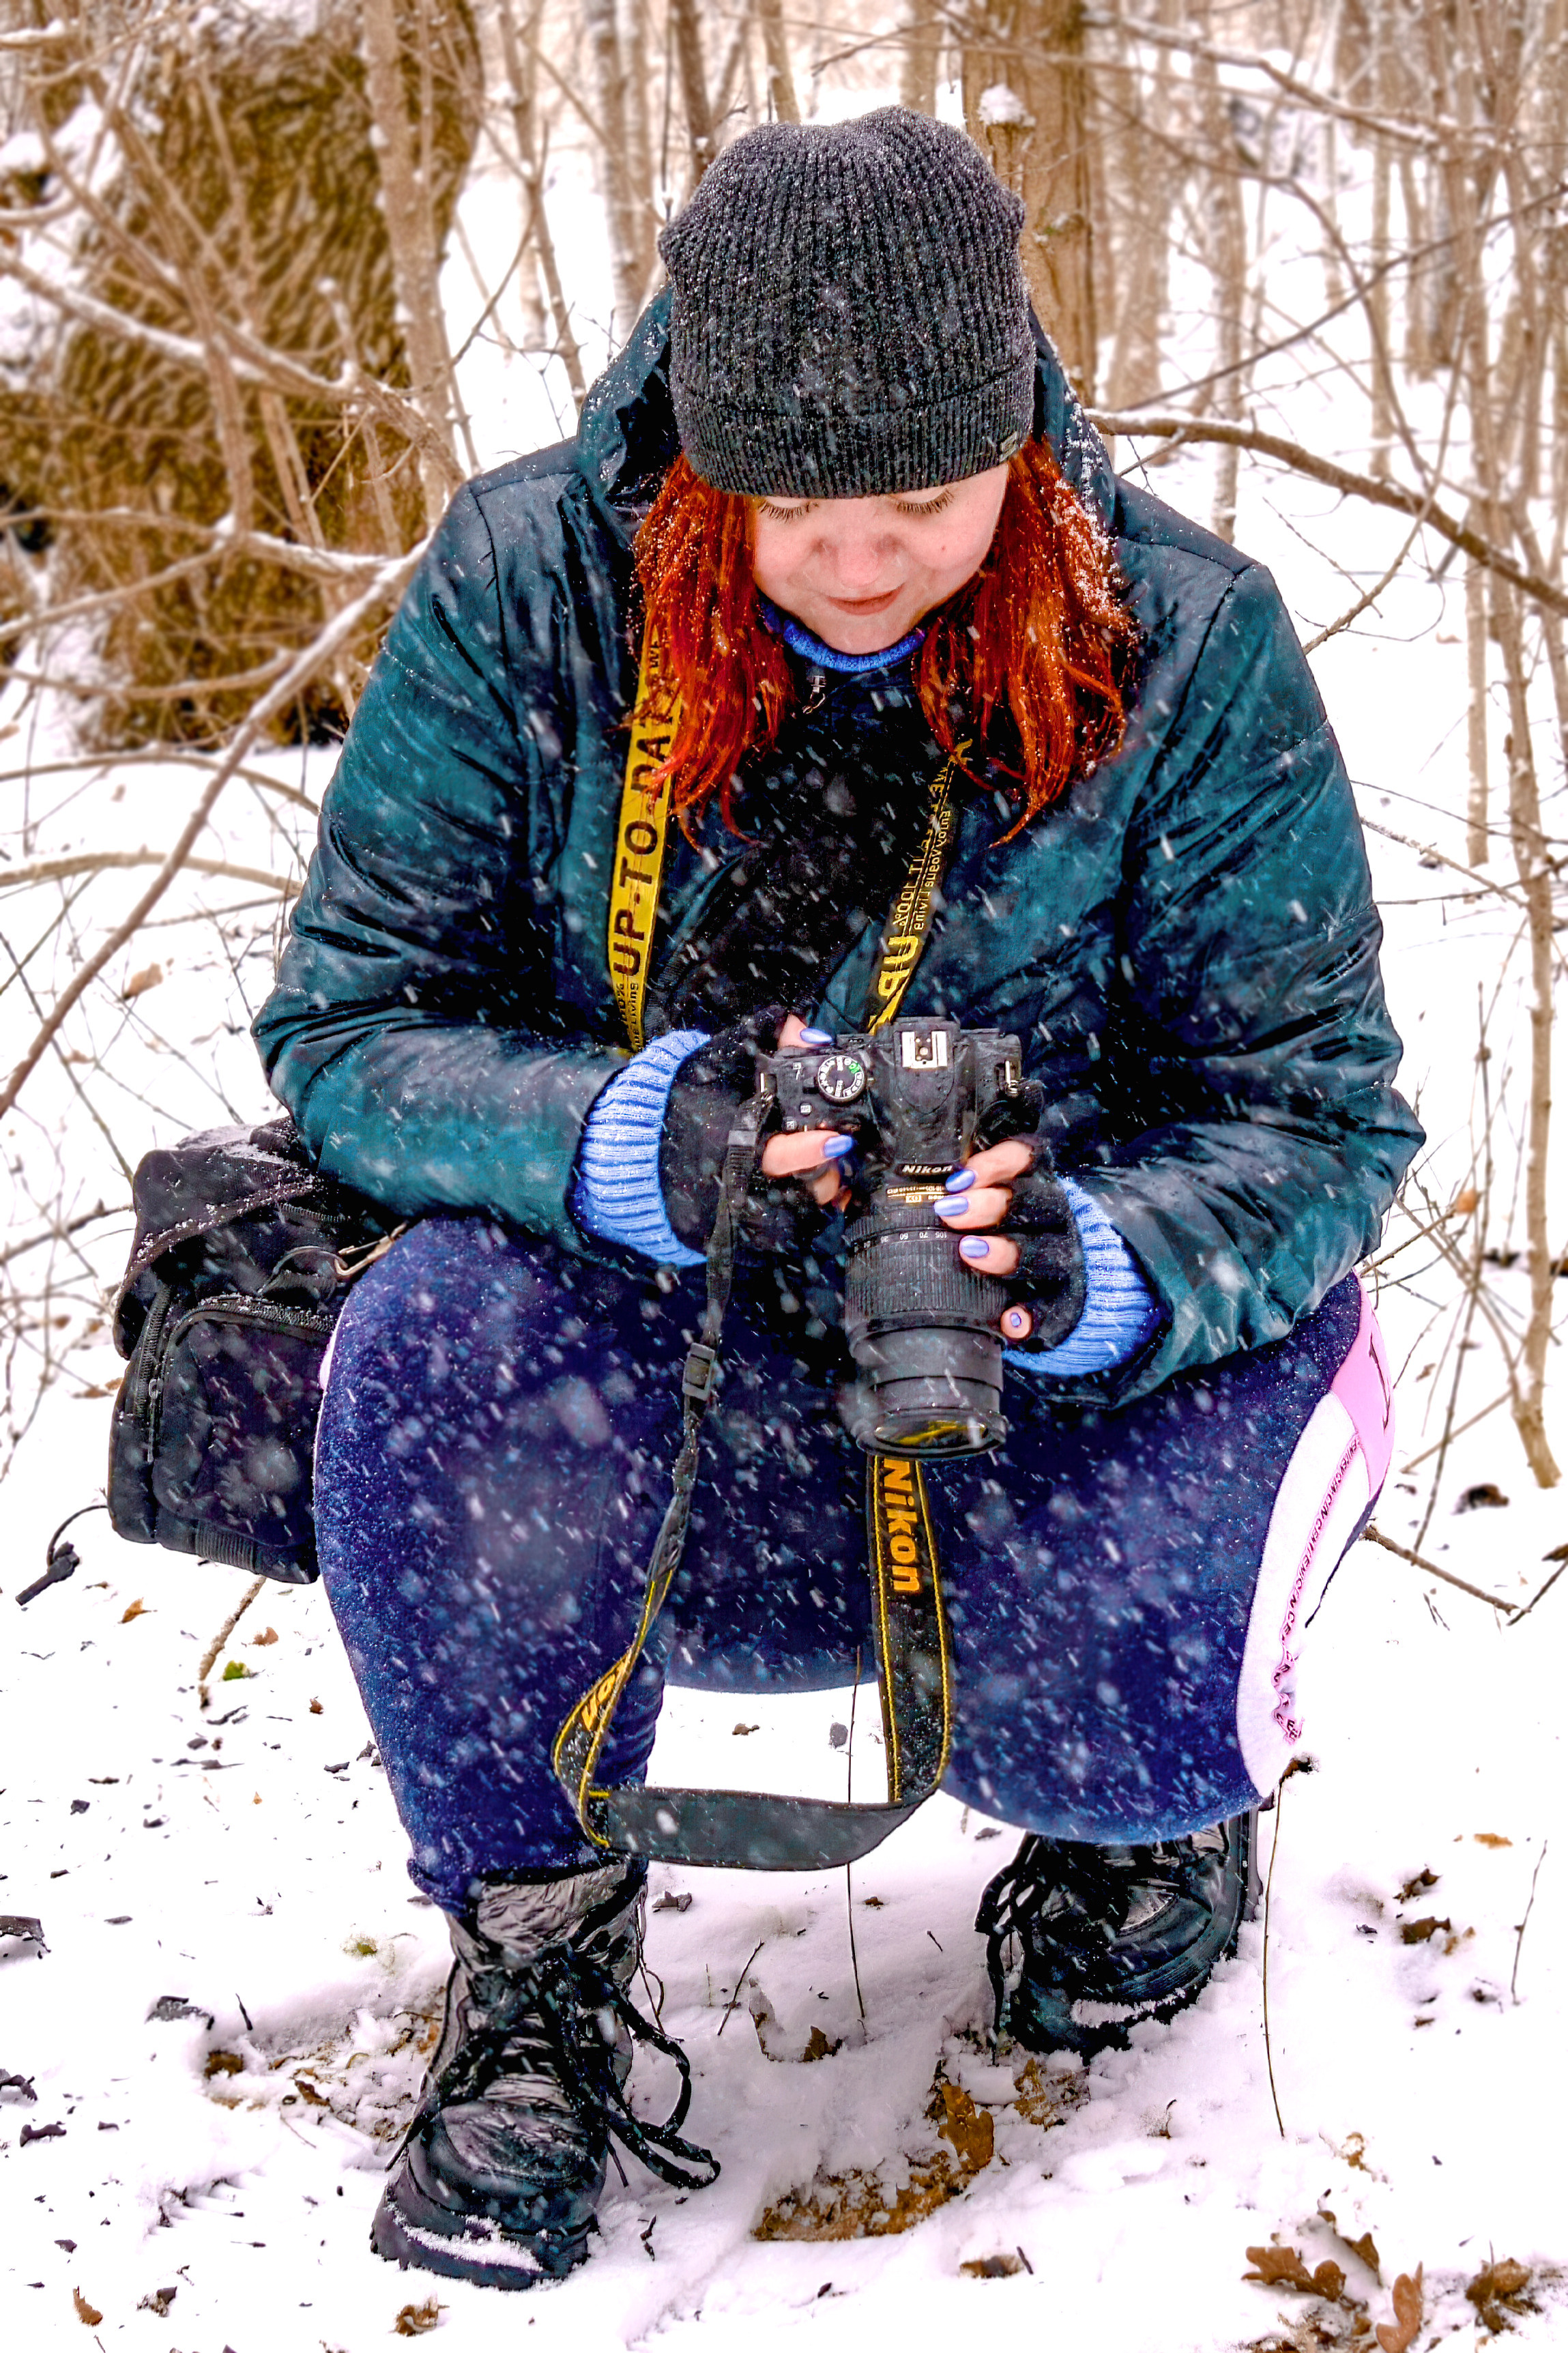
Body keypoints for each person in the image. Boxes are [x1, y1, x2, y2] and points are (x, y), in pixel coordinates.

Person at [255, 109, 1421, 2290]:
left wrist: (1083, 1265)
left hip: (1038, 1364)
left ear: (1021, 442)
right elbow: (344, 1033)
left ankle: (1134, 1818)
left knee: (1153, 1577)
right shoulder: (527, 589)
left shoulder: (1183, 638)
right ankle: (530, 1953)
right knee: (431, 1350)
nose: (864, 561)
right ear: (698, 451)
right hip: (657, 1335)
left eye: (925, 500)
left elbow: (1317, 1118)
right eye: (792, 506)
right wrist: (633, 1142)